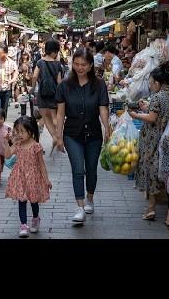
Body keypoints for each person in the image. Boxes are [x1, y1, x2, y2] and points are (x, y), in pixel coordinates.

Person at [54, 48, 110, 224]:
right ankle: (79, 207)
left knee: (91, 169)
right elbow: (60, 112)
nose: (79, 67)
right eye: (76, 64)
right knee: (78, 170)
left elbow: (102, 108)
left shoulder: (99, 84)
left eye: (83, 64)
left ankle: (90, 198)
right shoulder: (65, 85)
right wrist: (58, 137)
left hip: (93, 133)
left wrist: (107, 127)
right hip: (72, 133)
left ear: (91, 65)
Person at [128, 65, 169, 220]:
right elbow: (161, 113)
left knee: (151, 171)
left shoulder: (157, 97)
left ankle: (151, 208)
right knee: (163, 171)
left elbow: (152, 118)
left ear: (158, 83)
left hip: (154, 139)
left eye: (151, 82)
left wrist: (135, 115)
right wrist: (147, 107)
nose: (150, 85)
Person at [4, 115, 52, 238]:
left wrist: (46, 180)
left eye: (22, 132)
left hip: (33, 178)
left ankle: (36, 218)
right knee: (22, 200)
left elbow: (41, 165)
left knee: (34, 201)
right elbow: (7, 155)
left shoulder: (36, 146)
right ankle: (23, 225)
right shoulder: (18, 145)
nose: (19, 134)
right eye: (17, 131)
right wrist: (6, 142)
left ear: (30, 132)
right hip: (20, 177)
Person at [31, 40, 63, 150]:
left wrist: (32, 87)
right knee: (54, 117)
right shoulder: (58, 64)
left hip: (42, 94)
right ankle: (58, 136)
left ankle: (54, 137)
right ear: (54, 51)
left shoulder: (40, 62)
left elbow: (35, 76)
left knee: (45, 117)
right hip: (54, 94)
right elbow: (59, 82)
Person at [0, 43, 18, 116]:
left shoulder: (12, 63)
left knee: (4, 110)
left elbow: (15, 74)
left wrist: (11, 81)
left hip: (6, 90)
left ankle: (2, 125)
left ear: (5, 53)